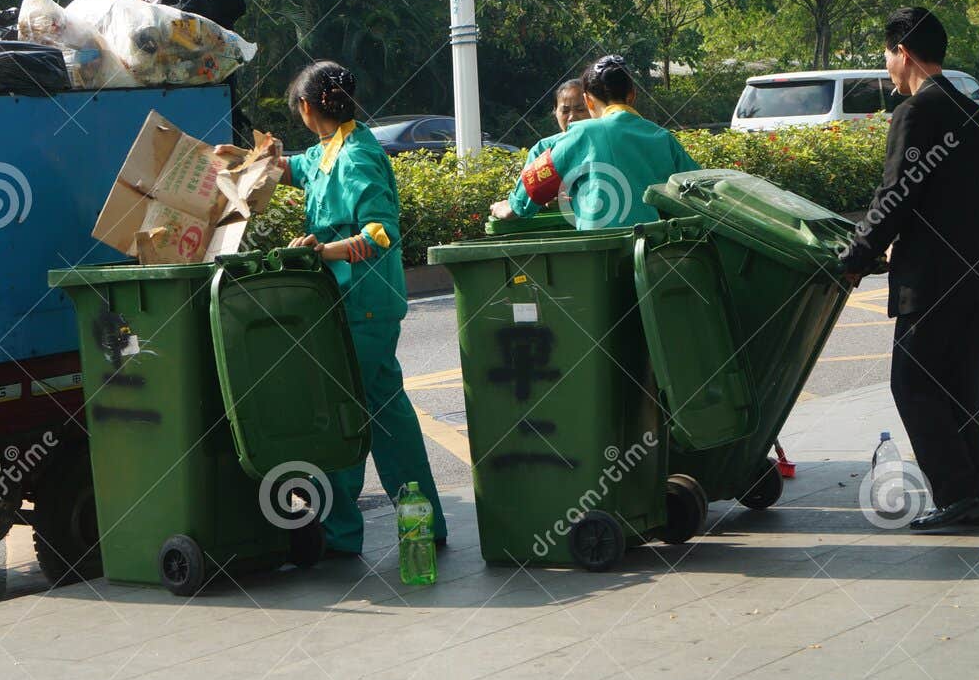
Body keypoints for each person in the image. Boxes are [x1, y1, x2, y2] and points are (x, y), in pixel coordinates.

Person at [246, 61, 447, 557]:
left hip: (365, 306)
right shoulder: (330, 149)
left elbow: (381, 232)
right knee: (388, 414)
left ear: (308, 107)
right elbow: (302, 167)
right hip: (352, 304)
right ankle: (424, 523)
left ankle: (338, 532)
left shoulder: (357, 156)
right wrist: (253, 162)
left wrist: (324, 251)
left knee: (340, 413)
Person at [838, 7, 979, 532]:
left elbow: (897, 197)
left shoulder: (916, 112)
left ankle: (959, 495)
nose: (887, 66)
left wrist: (855, 259)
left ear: (902, 53)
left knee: (912, 385)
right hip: (975, 282)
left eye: (887, 55)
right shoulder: (970, 112)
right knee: (960, 392)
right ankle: (975, 494)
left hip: (934, 287)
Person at [490, 55, 696, 228]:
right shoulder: (662, 137)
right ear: (632, 95)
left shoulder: (583, 133)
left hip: (600, 257)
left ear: (587, 100)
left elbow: (535, 184)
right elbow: (699, 191)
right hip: (652, 254)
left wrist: (510, 206)